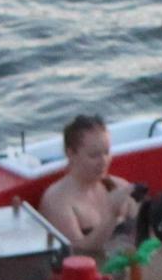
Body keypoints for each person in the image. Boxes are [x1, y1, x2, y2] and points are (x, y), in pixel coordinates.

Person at [38, 113, 140, 265]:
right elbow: (79, 253)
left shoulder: (118, 186)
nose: (103, 161)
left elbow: (146, 232)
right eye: (94, 155)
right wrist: (112, 215)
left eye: (106, 152)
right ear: (70, 153)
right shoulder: (57, 200)